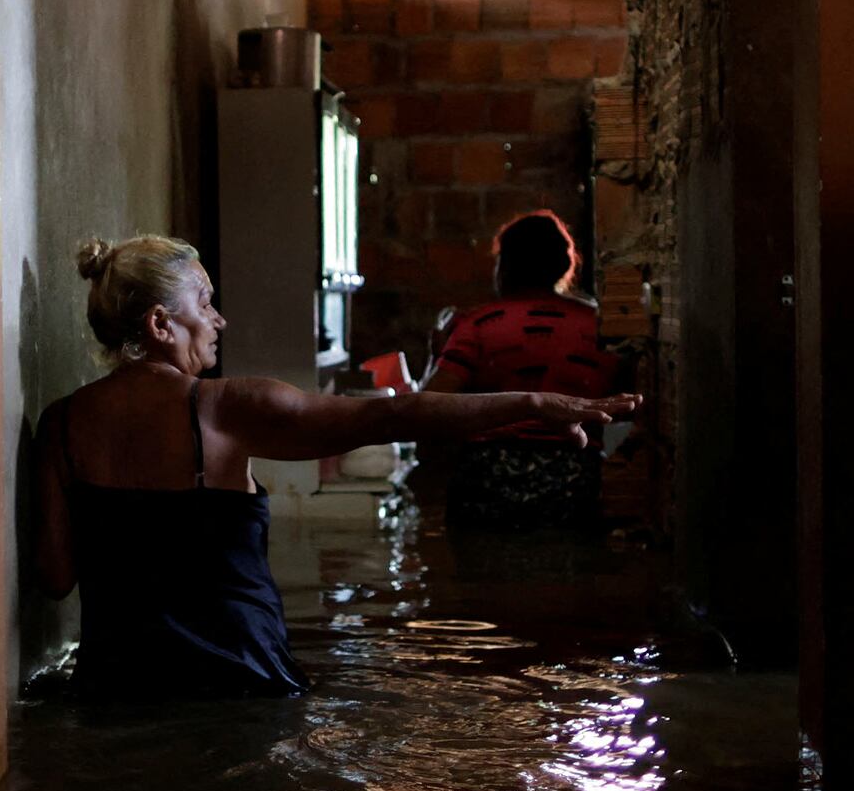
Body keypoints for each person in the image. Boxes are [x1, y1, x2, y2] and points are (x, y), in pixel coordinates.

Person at [34, 234, 639, 698]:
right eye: (206, 304)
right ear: (160, 324)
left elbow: (56, 576)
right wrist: (534, 403)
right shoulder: (225, 409)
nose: (219, 321)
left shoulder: (59, 426)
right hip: (240, 682)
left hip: (116, 686)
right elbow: (396, 417)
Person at [423, 211, 628, 529]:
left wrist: (436, 354)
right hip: (575, 480)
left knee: (481, 575)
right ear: (564, 264)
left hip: (488, 480)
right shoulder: (600, 326)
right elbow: (626, 404)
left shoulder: (478, 325)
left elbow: (430, 406)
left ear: (506, 266)